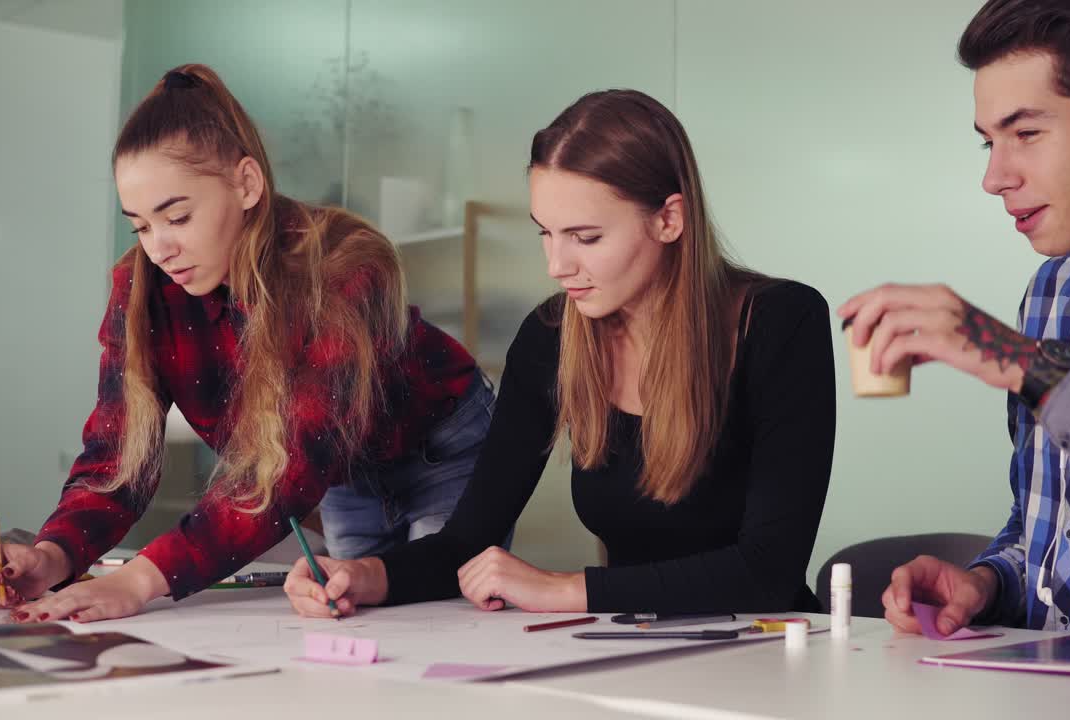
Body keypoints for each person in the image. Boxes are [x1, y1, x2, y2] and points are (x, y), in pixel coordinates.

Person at [284, 89, 836, 617]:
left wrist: (562, 589)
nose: (557, 265)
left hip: (767, 655)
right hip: (634, 648)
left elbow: (766, 571)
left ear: (670, 218)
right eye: (545, 233)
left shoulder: (779, 324)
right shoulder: (553, 335)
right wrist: (366, 577)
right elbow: (466, 542)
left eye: (585, 237)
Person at [0, 64, 492, 622]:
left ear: (247, 184)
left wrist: (139, 582)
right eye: (141, 227)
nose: (160, 249)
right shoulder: (141, 290)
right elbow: (117, 456)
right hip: (344, 474)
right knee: (356, 620)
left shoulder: (342, 266)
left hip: (442, 446)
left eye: (177, 216)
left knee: (437, 611)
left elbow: (291, 462)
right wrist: (54, 555)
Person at [839, 0, 1070, 639]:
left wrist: (1022, 364)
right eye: (989, 142)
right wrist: (986, 582)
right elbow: (1047, 520)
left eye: (1026, 133)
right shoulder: (1049, 293)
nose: (993, 176)